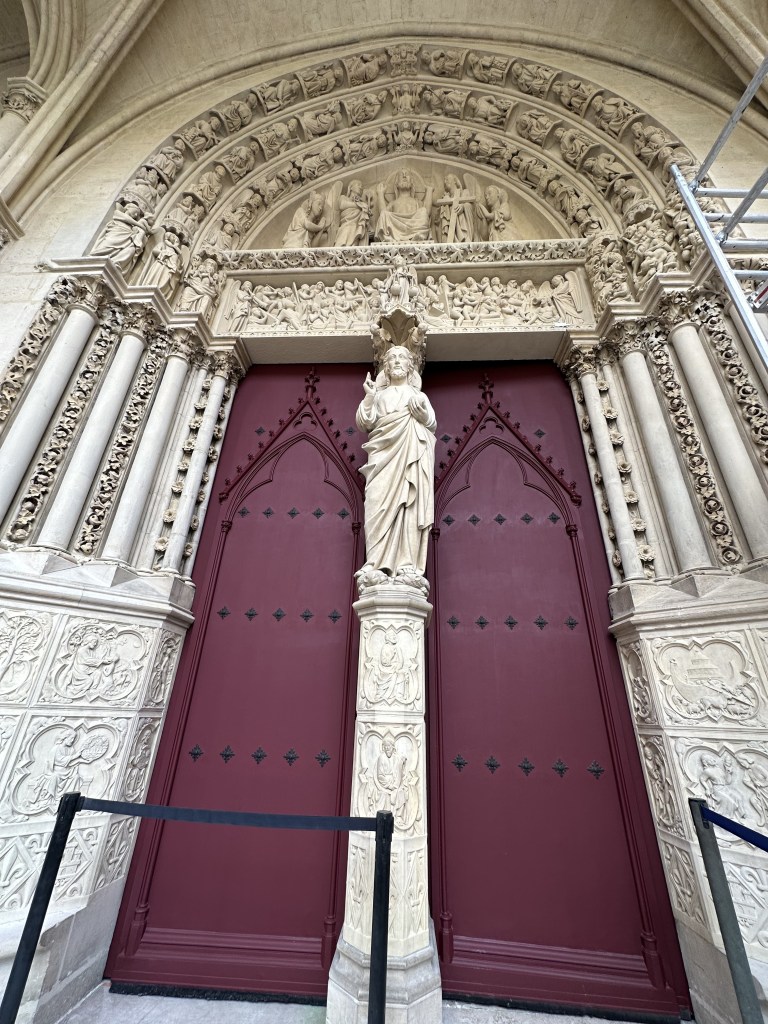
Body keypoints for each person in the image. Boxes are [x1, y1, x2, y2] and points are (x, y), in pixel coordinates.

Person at [356, 346, 436, 576]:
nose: (397, 361)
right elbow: (365, 422)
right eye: (392, 358)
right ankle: (375, 562)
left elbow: (431, 423)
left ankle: (406, 564)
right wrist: (370, 398)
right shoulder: (379, 396)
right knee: (376, 501)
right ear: (386, 367)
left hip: (410, 457)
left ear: (411, 366)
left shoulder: (419, 397)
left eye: (402, 357)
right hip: (382, 460)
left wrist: (422, 416)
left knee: (408, 504)